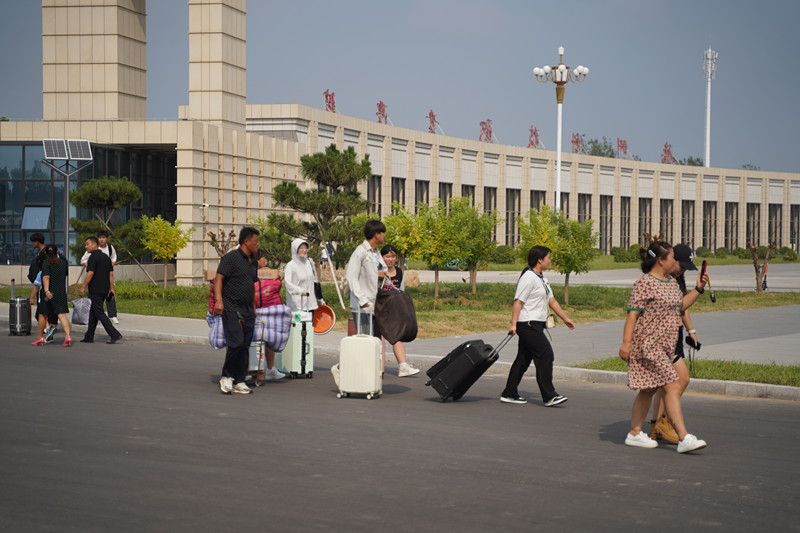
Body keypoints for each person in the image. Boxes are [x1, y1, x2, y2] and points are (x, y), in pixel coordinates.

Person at [619, 241, 708, 454]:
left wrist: (698, 289)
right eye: (672, 258)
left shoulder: (671, 282)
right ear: (661, 260)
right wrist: (626, 343)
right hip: (649, 345)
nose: (675, 262)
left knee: (650, 388)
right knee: (672, 384)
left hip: (667, 346)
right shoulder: (644, 283)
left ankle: (634, 432)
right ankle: (683, 437)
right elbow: (632, 315)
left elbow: (681, 306)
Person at [501, 245, 575, 406]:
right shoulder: (528, 277)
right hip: (527, 324)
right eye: (548, 257)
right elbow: (518, 302)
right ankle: (549, 396)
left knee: (523, 359)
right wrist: (513, 325)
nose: (550, 260)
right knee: (546, 355)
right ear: (539, 259)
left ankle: (509, 393)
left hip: (535, 324)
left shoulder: (541, 278)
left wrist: (565, 318)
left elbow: (552, 301)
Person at [648, 244, 699, 443]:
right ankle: (663, 423)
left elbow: (682, 307)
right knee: (675, 381)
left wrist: (691, 330)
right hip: (663, 336)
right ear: (670, 259)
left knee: (668, 383)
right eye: (682, 265)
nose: (683, 270)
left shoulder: (676, 279)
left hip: (675, 334)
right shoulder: (663, 280)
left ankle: (657, 424)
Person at [214, 226, 260, 395]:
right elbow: (219, 278)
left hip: (248, 309)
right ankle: (226, 376)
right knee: (236, 342)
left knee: (245, 345)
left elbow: (251, 285)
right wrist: (219, 301)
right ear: (246, 241)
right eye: (256, 241)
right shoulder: (230, 258)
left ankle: (240, 380)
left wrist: (254, 307)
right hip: (230, 307)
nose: (258, 244)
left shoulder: (253, 261)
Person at [379, 244, 420, 377]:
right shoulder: (377, 272)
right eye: (387, 256)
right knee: (375, 339)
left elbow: (401, 291)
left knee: (397, 336)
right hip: (380, 310)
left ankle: (403, 366)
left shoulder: (399, 272)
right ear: (382, 257)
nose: (390, 259)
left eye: (393, 256)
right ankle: (375, 367)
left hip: (394, 310)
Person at [346, 219, 387, 335]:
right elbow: (351, 277)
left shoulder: (376, 252)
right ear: (376, 235)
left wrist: (380, 275)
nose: (384, 235)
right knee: (366, 342)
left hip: (375, 305)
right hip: (362, 307)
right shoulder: (360, 252)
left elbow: (380, 270)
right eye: (382, 232)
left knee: (376, 342)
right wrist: (362, 299)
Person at [79, 237, 122, 344]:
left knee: (99, 312)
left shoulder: (93, 257)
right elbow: (111, 274)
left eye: (87, 244)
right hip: (104, 289)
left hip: (96, 290)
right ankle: (89, 336)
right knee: (93, 312)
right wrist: (111, 289)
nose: (86, 246)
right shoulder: (106, 258)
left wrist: (83, 286)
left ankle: (114, 334)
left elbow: (90, 273)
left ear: (94, 245)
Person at [31, 245, 72, 347]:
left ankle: (39, 337)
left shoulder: (46, 263)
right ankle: (68, 336)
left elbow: (46, 277)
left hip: (49, 294)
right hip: (61, 293)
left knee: (42, 315)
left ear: (45, 253)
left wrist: (46, 290)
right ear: (57, 251)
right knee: (62, 315)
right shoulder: (63, 263)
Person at [255, 248, 285, 380]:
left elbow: (277, 284)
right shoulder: (248, 271)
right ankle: (252, 370)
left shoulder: (268, 272)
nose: (265, 260)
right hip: (255, 311)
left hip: (269, 311)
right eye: (263, 258)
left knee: (269, 339)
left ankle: (271, 369)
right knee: (255, 341)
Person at [81, 230, 120, 325]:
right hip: (96, 278)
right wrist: (93, 268)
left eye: (103, 237)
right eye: (100, 237)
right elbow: (84, 260)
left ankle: (113, 315)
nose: (102, 239)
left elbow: (113, 259)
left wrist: (106, 268)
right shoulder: (92, 249)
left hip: (107, 276)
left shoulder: (110, 248)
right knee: (97, 299)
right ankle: (96, 318)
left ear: (106, 238)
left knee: (110, 295)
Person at [27, 232, 59, 342]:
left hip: (45, 286)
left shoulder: (44, 254)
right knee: (45, 312)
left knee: (41, 313)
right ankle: (49, 332)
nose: (32, 244)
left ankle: (49, 329)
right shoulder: (42, 253)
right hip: (48, 286)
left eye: (33, 241)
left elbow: (46, 271)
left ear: (37, 242)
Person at [284, 238, 324, 312]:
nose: (304, 250)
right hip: (297, 305)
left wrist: (319, 299)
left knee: (311, 323)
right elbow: (288, 283)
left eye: (305, 248)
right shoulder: (291, 266)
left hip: (310, 303)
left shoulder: (309, 262)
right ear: (295, 249)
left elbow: (315, 281)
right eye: (301, 248)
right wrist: (300, 291)